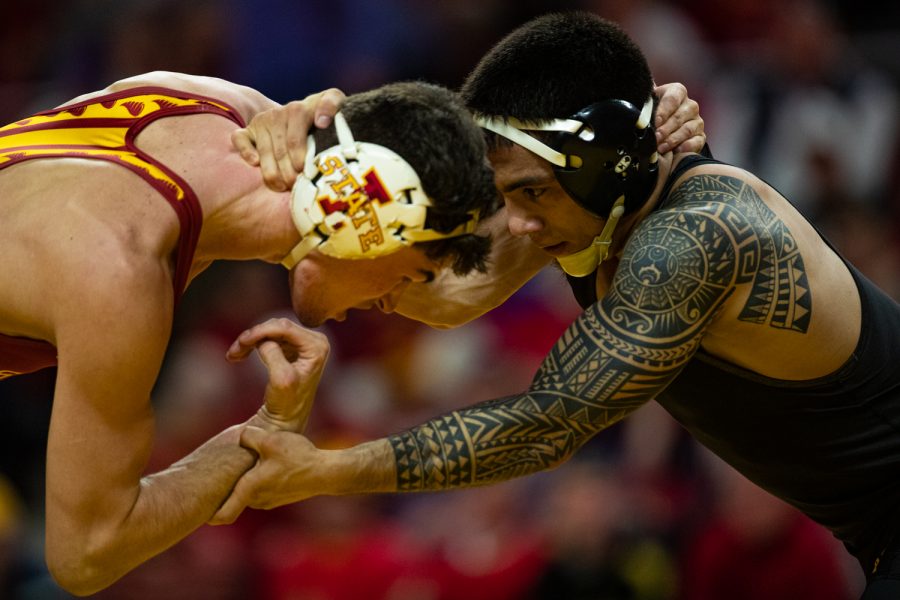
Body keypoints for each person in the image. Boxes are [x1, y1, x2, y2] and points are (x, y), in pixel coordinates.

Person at [215, 12, 900, 599]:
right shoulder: (598, 196)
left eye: (531, 194)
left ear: (607, 163)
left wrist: (324, 471)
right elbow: (455, 295)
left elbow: (546, 426)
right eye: (509, 194)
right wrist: (318, 141)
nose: (515, 224)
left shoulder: (695, 238)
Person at [0, 67, 703, 595]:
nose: (394, 304)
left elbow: (398, 148)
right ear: (361, 229)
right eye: (404, 276)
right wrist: (263, 435)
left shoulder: (205, 108)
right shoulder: (115, 271)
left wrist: (624, 157)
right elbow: (85, 552)